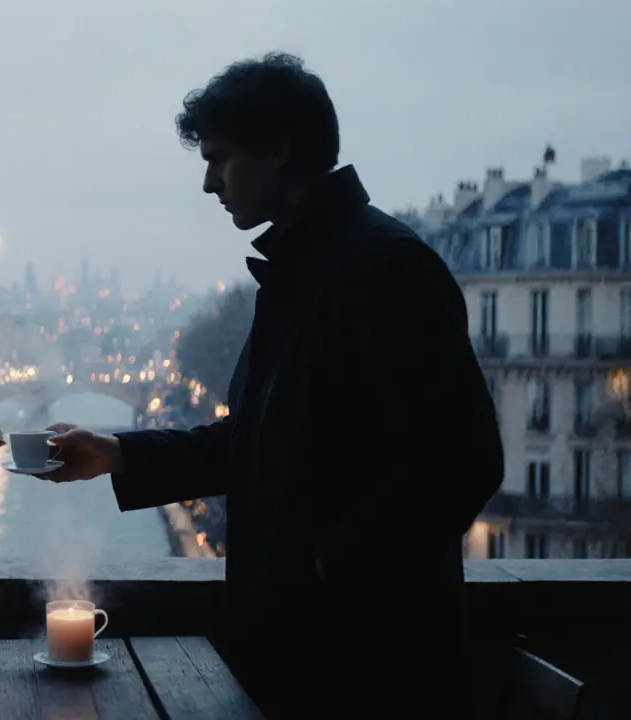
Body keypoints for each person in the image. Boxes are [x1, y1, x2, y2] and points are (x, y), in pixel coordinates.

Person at [42, 53, 503, 719]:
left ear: (280, 149)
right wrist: (119, 455)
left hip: (364, 665)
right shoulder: (311, 268)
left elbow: (464, 459)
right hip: (311, 654)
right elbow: (260, 438)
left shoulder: (387, 267)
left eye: (220, 159)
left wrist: (324, 568)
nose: (209, 183)